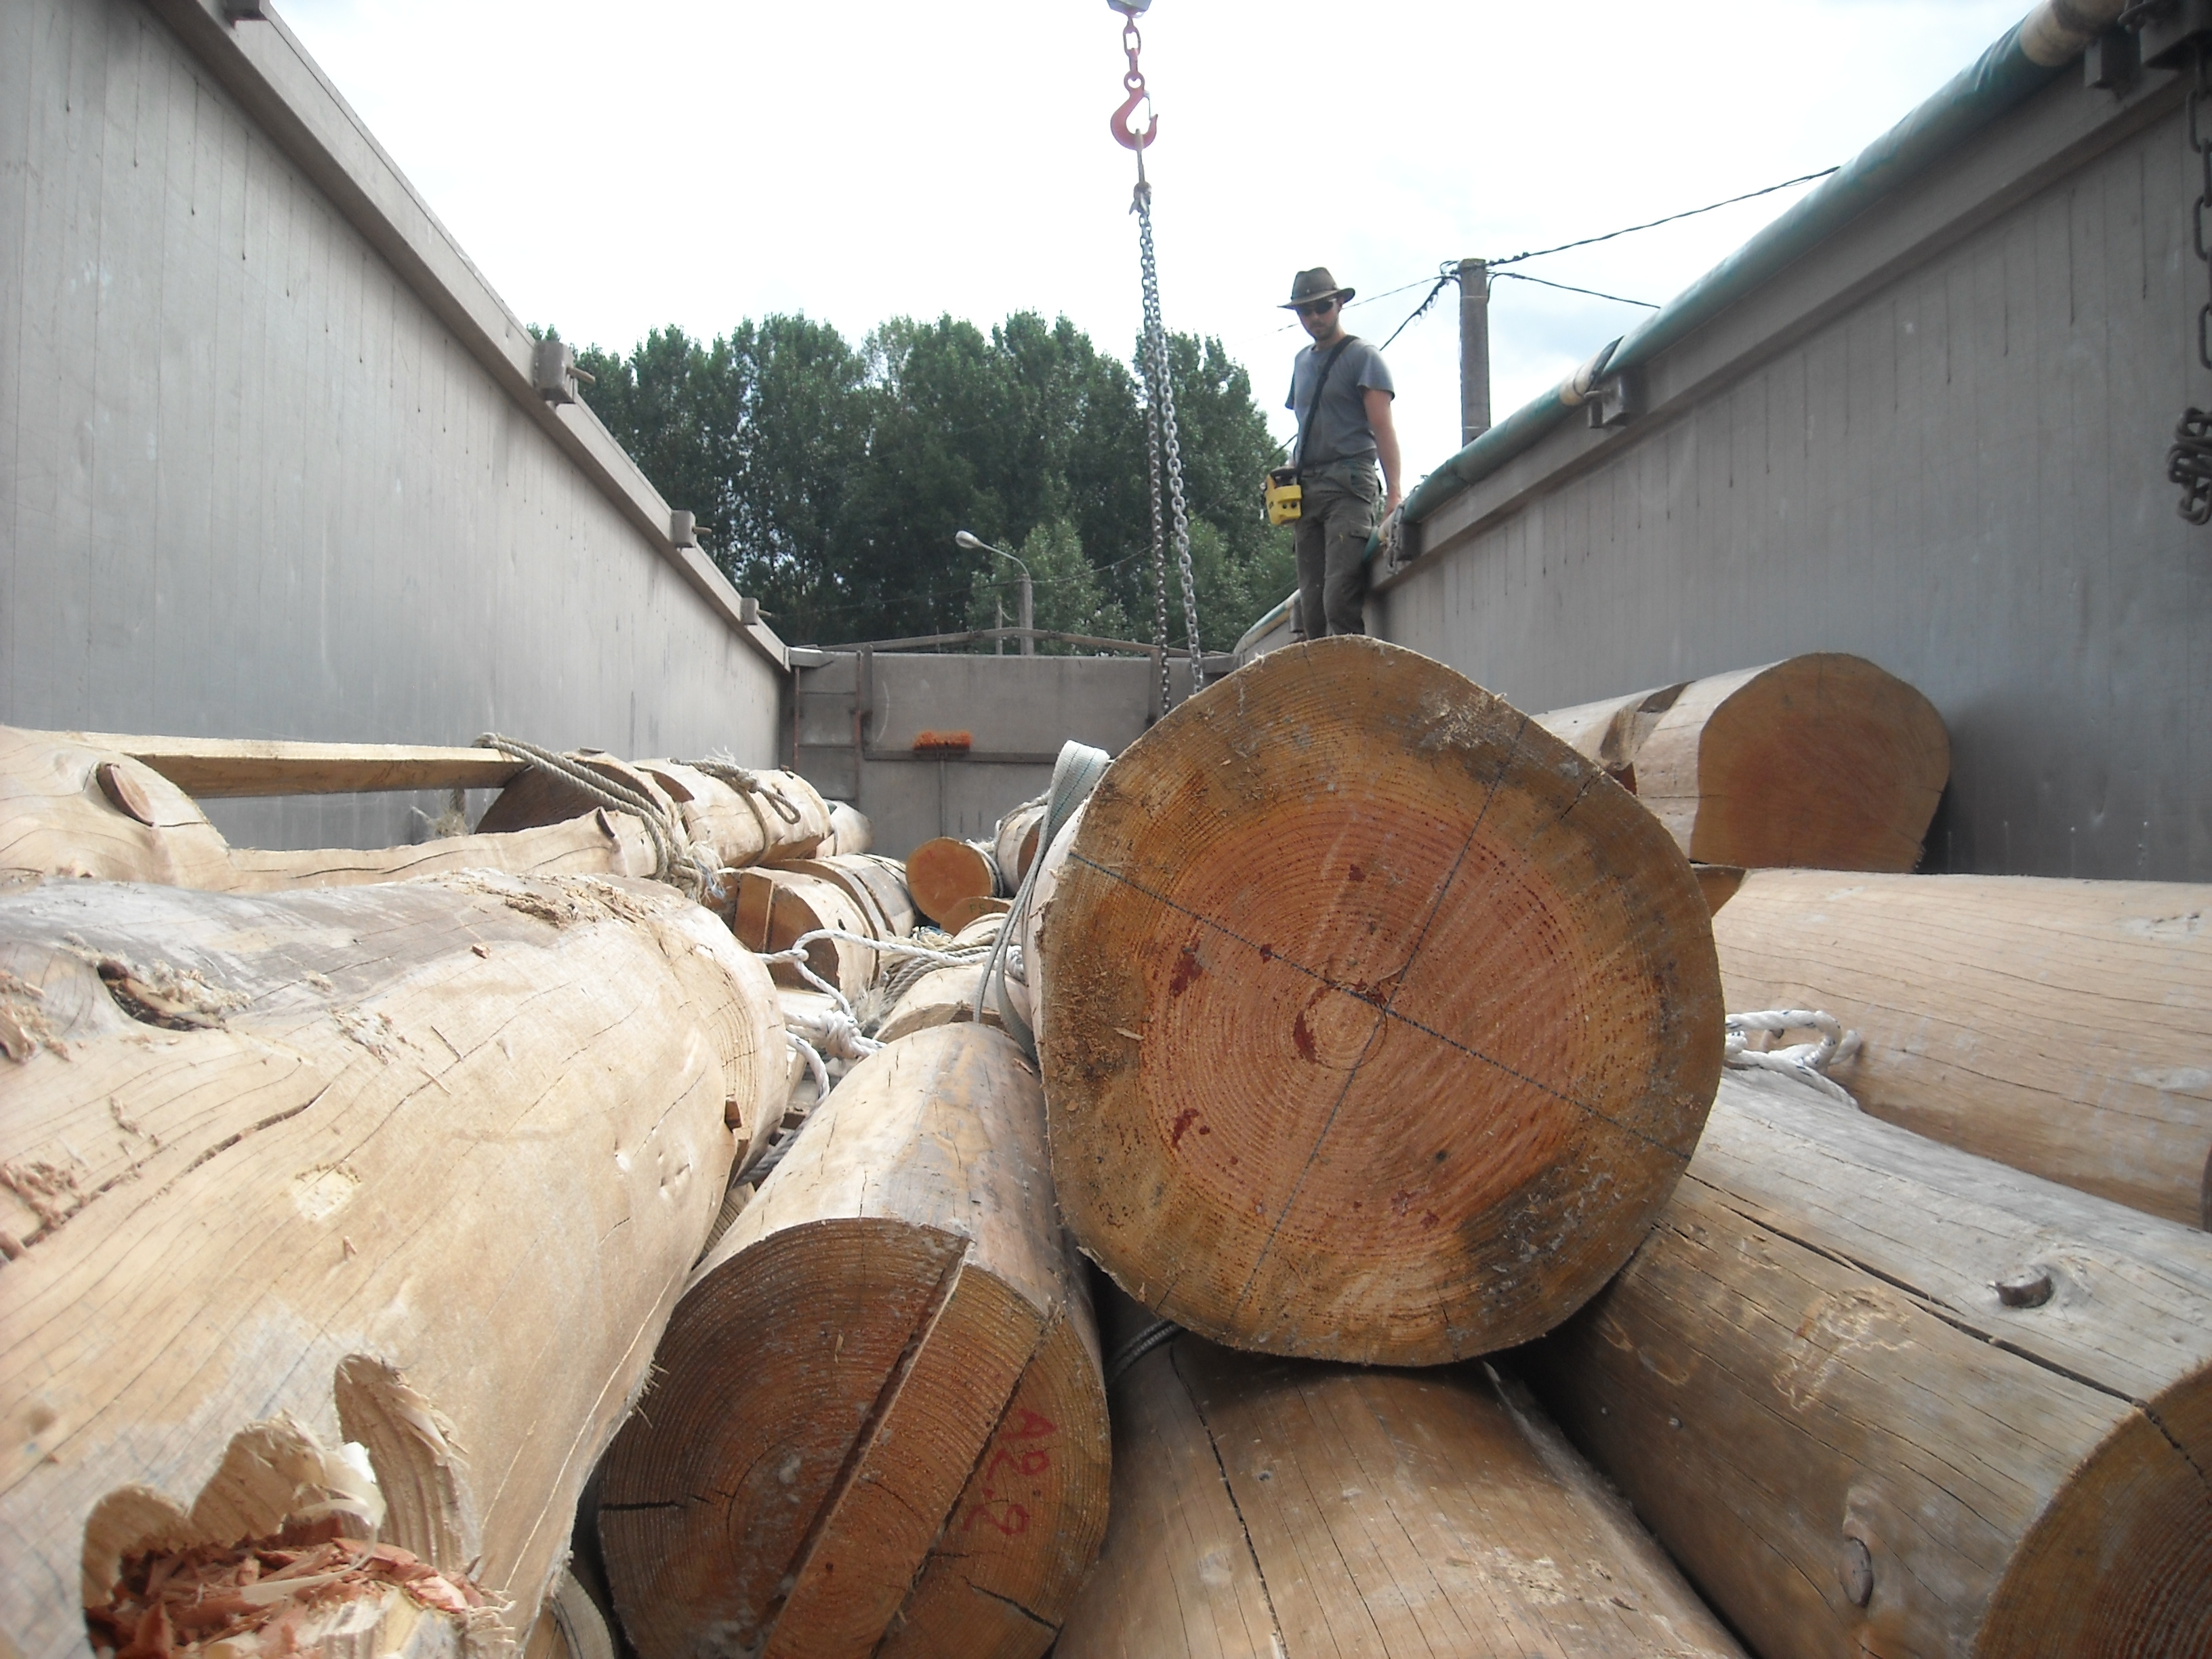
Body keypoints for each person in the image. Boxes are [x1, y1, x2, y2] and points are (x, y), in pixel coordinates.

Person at [1282, 268, 1400, 639]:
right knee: (1312, 610)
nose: (1315, 317)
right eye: (1306, 311)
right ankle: (1323, 693)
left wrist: (1395, 493)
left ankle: (1356, 688)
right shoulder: (1302, 362)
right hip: (1308, 489)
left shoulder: (1363, 357)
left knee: (1339, 600)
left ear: (1340, 304)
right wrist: (1289, 470)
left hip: (1349, 485)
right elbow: (1306, 424)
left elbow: (1383, 428)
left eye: (1322, 307)